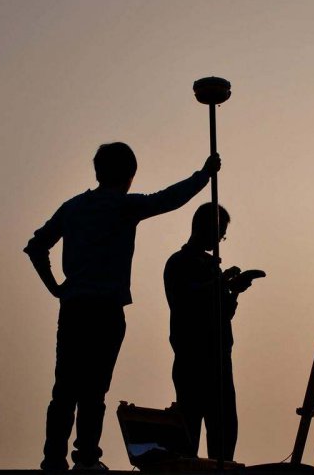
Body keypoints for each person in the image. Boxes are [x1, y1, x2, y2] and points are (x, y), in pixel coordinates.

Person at [24, 142, 220, 471]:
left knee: (64, 389)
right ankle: (87, 458)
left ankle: (53, 460)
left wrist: (56, 288)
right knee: (93, 390)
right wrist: (204, 175)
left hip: (73, 308)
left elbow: (36, 247)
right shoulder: (125, 207)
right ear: (129, 176)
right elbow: (169, 198)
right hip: (106, 310)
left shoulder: (73, 208)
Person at [164, 203, 264, 461]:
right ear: (205, 228)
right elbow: (186, 300)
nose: (220, 239)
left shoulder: (212, 267)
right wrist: (220, 282)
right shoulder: (178, 263)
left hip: (219, 360)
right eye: (220, 232)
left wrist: (234, 291)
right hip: (192, 359)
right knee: (188, 435)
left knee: (224, 432)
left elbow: (223, 312)